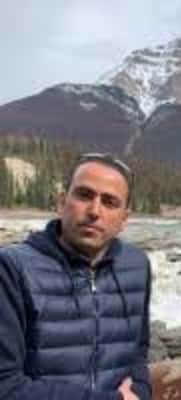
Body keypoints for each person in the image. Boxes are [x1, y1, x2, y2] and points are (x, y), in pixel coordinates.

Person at [0, 153, 152, 400]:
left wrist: (141, 391)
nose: (94, 211)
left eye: (110, 202)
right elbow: (5, 385)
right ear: (61, 203)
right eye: (84, 195)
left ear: (124, 219)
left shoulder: (137, 265)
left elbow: (138, 351)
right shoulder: (12, 269)